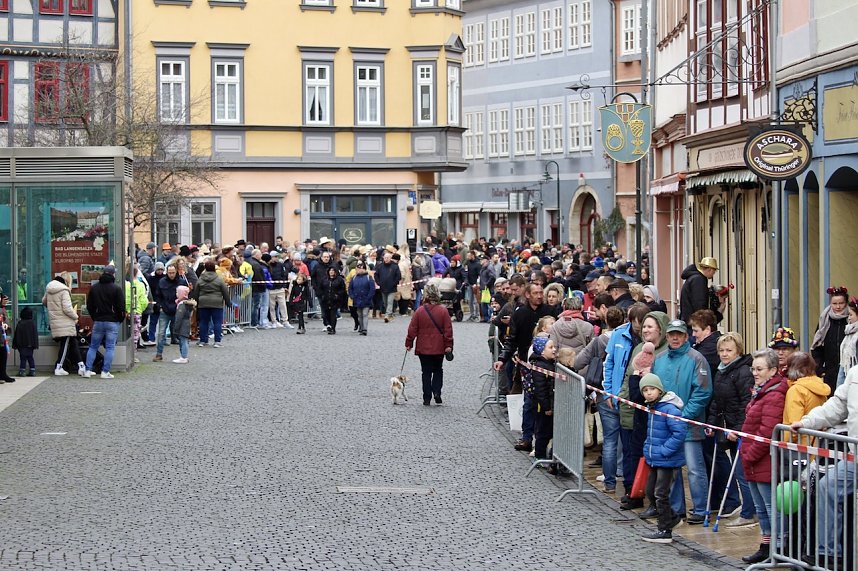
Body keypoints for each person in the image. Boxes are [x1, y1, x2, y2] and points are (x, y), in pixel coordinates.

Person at [791, 363, 857, 566]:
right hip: (856, 455)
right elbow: (837, 406)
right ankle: (828, 553)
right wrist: (807, 422)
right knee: (826, 486)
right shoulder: (854, 373)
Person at [651, 319, 713, 525]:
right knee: (671, 469)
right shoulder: (659, 359)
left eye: (679, 334)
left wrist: (684, 415)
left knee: (695, 469)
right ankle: (676, 510)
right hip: (666, 425)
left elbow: (702, 392)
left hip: (689, 423)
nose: (675, 338)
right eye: (671, 334)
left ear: (686, 337)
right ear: (666, 336)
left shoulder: (697, 359)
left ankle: (701, 509)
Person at [737, 348, 788, 565]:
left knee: (770, 507)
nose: (755, 373)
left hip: (763, 458)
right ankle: (766, 545)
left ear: (773, 370)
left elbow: (767, 430)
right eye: (753, 368)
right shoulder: (761, 390)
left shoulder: (775, 394)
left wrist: (749, 454)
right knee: (761, 508)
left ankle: (777, 546)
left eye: (759, 369)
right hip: (753, 459)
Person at [704, 332, 756, 528]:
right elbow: (717, 401)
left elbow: (746, 404)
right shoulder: (721, 371)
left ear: (738, 351)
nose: (724, 354)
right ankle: (745, 508)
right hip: (725, 426)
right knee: (737, 469)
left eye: (729, 350)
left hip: (737, 429)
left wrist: (737, 429)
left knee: (742, 471)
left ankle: (749, 512)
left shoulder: (742, 372)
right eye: (722, 350)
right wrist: (711, 423)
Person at [494, 283, 554, 452]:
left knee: (546, 403)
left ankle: (543, 441)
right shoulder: (520, 314)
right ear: (528, 295)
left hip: (548, 367)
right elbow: (511, 340)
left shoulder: (550, 312)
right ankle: (527, 437)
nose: (540, 296)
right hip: (526, 366)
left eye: (541, 292)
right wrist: (502, 359)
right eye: (536, 293)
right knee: (528, 403)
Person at [639, 373, 686, 544]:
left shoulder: (669, 409)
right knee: (651, 491)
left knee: (661, 493)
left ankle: (665, 530)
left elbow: (679, 432)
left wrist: (665, 450)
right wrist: (648, 448)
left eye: (651, 389)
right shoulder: (653, 407)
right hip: (655, 457)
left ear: (659, 390)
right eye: (645, 390)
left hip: (667, 459)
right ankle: (671, 518)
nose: (648, 393)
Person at [405, 283, 454, 406]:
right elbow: (448, 330)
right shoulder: (443, 311)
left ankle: (426, 397)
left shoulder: (419, 311)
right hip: (439, 347)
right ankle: (437, 391)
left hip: (423, 347)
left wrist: (409, 342)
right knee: (438, 370)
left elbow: (412, 329)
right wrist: (449, 345)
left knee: (425, 372)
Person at [83, 265, 126, 379]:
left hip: (98, 320)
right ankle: (105, 371)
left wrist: (95, 317)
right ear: (113, 274)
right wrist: (119, 320)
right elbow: (121, 307)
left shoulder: (95, 288)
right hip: (112, 322)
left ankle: (87, 370)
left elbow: (90, 306)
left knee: (93, 346)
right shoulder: (116, 289)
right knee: (110, 347)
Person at [42, 273, 85, 377]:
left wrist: (54, 308)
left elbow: (44, 301)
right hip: (65, 322)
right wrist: (76, 316)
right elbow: (67, 308)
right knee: (65, 345)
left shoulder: (50, 288)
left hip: (56, 321)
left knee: (73, 342)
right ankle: (59, 367)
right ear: (67, 281)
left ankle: (82, 367)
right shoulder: (64, 291)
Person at [811, 286, 850, 392]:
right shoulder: (824, 321)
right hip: (830, 372)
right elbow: (817, 346)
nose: (838, 307)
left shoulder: (851, 320)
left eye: (841, 303)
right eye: (835, 303)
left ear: (846, 303)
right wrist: (820, 369)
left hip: (849, 370)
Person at [530, 335, 557, 467]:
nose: (554, 350)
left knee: (547, 430)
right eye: (550, 347)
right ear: (541, 351)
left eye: (554, 347)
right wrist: (546, 407)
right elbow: (541, 390)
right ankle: (539, 456)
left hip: (548, 404)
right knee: (543, 432)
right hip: (543, 407)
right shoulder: (540, 367)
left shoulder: (550, 364)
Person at [194, 260, 231, 348]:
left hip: (203, 303)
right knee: (217, 322)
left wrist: (196, 301)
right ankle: (217, 341)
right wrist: (228, 302)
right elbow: (225, 291)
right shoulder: (219, 279)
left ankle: (203, 340)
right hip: (217, 303)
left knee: (203, 322)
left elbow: (196, 291)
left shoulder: (201, 279)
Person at [679, 256, 720, 324]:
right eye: (714, 271)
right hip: (695, 324)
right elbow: (700, 303)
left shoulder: (694, 278)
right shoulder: (699, 280)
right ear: (709, 269)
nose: (714, 273)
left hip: (690, 321)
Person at [153, 264, 180, 362]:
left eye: (173, 273)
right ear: (167, 272)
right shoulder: (162, 282)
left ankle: (183, 355)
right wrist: (159, 306)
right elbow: (158, 295)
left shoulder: (180, 282)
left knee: (180, 333)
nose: (171, 275)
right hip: (164, 310)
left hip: (177, 310)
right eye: (170, 273)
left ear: (176, 272)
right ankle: (159, 354)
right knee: (161, 333)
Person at [690, 309, 721, 375]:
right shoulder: (713, 343)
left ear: (707, 330)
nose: (693, 334)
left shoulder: (710, 348)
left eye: (696, 331)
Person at [348, 261, 375, 336]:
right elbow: (350, 288)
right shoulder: (354, 278)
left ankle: (364, 329)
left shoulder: (368, 277)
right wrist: (352, 296)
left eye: (360, 269)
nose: (359, 270)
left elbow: (372, 289)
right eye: (358, 269)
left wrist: (369, 297)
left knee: (365, 313)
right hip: (357, 299)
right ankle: (361, 327)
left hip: (366, 299)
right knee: (359, 314)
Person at [836, 296, 858, 387]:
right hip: (846, 376)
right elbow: (843, 364)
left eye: (851, 315)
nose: (848, 318)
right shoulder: (849, 333)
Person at [375, 251, 401, 323]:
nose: (386, 259)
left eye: (387, 258)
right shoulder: (380, 266)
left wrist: (394, 283)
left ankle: (387, 315)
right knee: (385, 302)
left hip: (392, 288)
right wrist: (378, 282)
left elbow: (398, 276)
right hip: (383, 287)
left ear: (390, 258)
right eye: (385, 258)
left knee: (390, 302)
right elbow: (376, 275)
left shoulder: (395, 266)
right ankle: (390, 314)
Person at [171, 285, 195, 364]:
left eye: (177, 292)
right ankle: (183, 356)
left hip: (183, 326)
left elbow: (179, 318)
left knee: (183, 341)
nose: (176, 294)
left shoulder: (181, 305)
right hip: (186, 324)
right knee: (183, 340)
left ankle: (184, 356)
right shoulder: (187, 304)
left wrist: (176, 328)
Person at [12, 307, 38, 376]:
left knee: (23, 358)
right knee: (30, 357)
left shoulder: (21, 323)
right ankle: (32, 370)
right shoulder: (32, 323)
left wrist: (15, 344)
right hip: (31, 344)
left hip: (22, 344)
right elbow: (35, 335)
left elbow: (17, 335)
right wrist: (35, 344)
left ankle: (22, 371)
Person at [319, 266, 346, 335]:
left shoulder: (339, 279)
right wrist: (322, 295)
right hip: (325, 299)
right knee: (326, 314)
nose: (331, 272)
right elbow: (320, 288)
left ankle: (333, 328)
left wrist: (337, 295)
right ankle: (328, 325)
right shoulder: (324, 279)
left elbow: (342, 289)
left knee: (333, 314)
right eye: (330, 270)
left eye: (333, 270)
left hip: (335, 300)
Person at [0, 292, 15, 383]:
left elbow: (6, 320)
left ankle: (3, 374)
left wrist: (6, 325)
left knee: (3, 355)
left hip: (2, 336)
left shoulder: (2, 309)